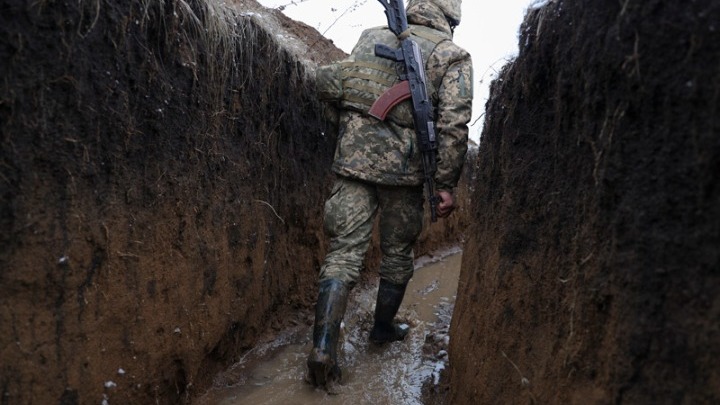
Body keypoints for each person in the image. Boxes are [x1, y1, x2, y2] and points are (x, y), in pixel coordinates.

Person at [307, 0, 473, 390]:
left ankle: (322, 349)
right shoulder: (453, 55)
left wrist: (348, 131)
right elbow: (455, 123)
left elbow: (331, 84)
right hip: (405, 176)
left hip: (353, 165)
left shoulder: (371, 37)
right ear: (452, 17)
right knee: (397, 253)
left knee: (343, 254)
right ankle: (382, 329)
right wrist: (445, 184)